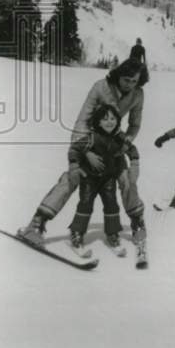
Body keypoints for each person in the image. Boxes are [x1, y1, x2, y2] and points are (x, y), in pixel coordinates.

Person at [17, 58, 148, 245]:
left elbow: (135, 124)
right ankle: (37, 223)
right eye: (126, 80)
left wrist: (126, 142)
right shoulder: (100, 87)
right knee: (72, 176)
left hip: (114, 143)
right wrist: (85, 151)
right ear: (118, 75)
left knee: (126, 179)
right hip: (90, 140)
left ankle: (137, 223)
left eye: (134, 81)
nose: (130, 85)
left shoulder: (138, 94)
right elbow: (82, 120)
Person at [68, 104, 128, 254]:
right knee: (86, 203)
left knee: (112, 204)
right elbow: (75, 149)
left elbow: (128, 149)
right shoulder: (91, 137)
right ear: (98, 122)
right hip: (89, 178)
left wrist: (133, 162)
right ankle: (77, 234)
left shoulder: (118, 138)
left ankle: (112, 234)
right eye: (105, 119)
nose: (109, 122)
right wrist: (75, 165)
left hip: (108, 179)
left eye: (113, 118)